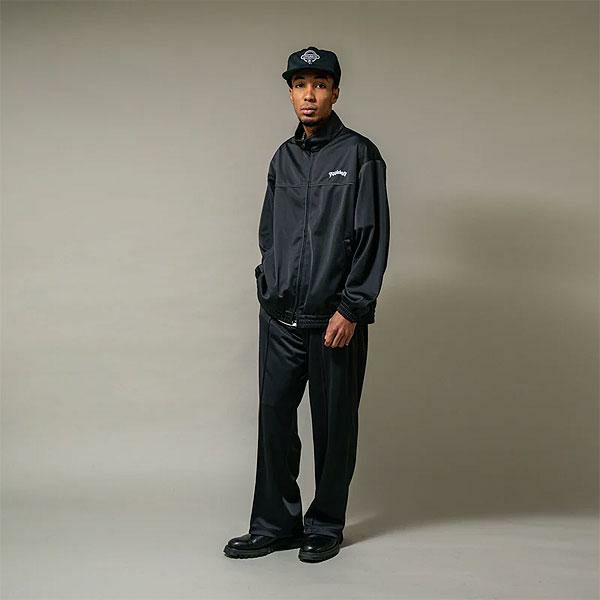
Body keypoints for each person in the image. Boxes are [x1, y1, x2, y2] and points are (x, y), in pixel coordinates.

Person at [223, 46, 390, 563]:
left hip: (333, 319)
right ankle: (275, 524)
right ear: (291, 93)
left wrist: (353, 308)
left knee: (333, 426)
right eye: (300, 85)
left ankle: (324, 524)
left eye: (319, 85)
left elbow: (372, 234)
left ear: (336, 92)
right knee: (274, 419)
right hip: (280, 317)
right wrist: (267, 283)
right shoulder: (283, 158)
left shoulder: (360, 155)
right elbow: (269, 231)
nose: (309, 95)